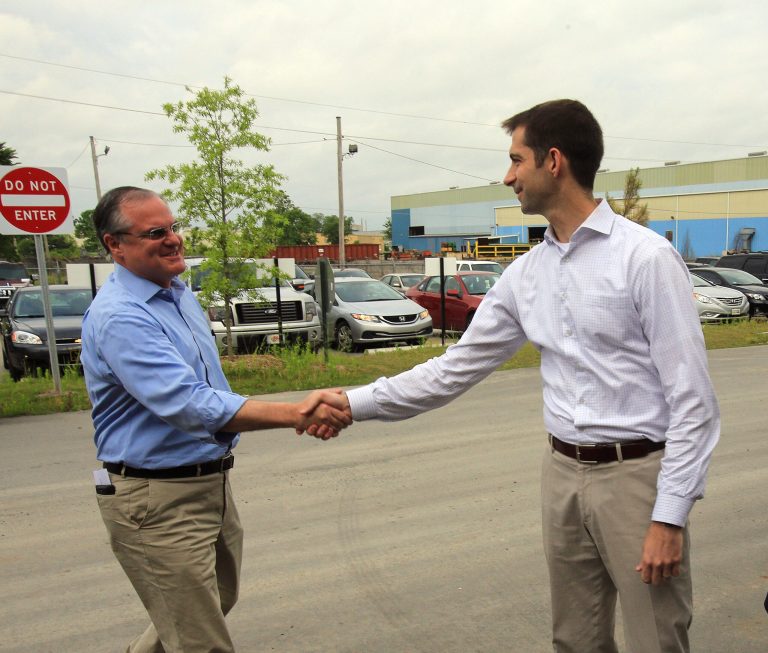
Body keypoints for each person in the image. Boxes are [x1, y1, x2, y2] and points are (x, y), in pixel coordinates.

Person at [313, 100, 720, 652]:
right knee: (574, 640)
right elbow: (453, 369)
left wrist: (669, 517)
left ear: (554, 161)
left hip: (637, 479)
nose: (507, 177)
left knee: (656, 640)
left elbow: (693, 401)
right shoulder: (526, 274)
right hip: (562, 474)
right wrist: (352, 402)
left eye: (515, 160)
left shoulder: (645, 259)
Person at [80, 186, 350, 653]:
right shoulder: (121, 316)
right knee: (200, 639)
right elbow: (190, 404)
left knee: (216, 599)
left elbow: (212, 390)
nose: (173, 239)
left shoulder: (177, 294)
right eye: (155, 232)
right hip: (156, 499)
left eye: (174, 227)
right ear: (114, 245)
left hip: (210, 483)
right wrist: (297, 413)